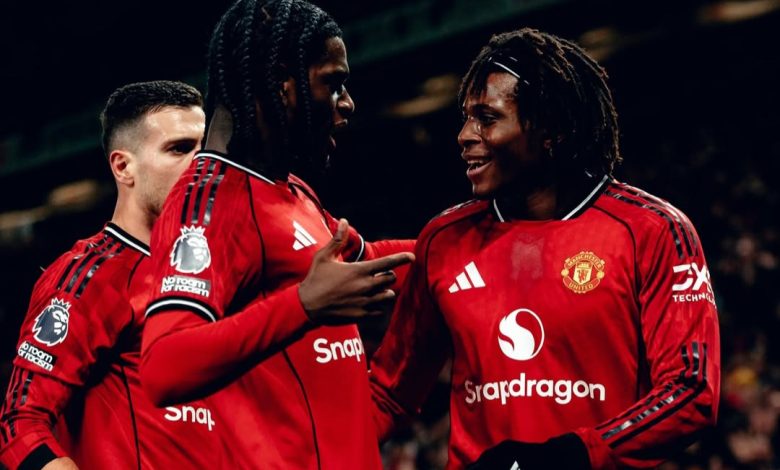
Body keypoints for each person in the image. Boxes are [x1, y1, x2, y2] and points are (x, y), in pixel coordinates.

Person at [370, 28, 720, 469]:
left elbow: (691, 390)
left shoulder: (652, 230)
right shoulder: (443, 239)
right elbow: (388, 395)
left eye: (487, 118)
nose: (464, 135)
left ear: (550, 128)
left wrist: (566, 457)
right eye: (467, 117)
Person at [139, 1, 414, 468]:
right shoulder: (207, 204)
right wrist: (303, 304)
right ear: (283, 83)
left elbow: (370, 261)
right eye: (333, 82)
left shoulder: (290, 189)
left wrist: (467, 239)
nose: (347, 102)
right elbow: (163, 367)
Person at [0, 81, 225, 469]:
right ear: (123, 167)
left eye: (204, 148)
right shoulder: (90, 276)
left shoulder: (221, 270)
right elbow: (19, 424)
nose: (202, 162)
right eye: (179, 148)